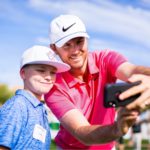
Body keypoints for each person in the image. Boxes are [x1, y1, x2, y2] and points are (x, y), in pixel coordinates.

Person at [45, 14, 150, 149]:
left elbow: (132, 70)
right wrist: (117, 129)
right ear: (54, 48)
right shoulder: (53, 86)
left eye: (79, 41)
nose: (75, 50)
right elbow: (82, 132)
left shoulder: (105, 59)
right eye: (67, 45)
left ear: (87, 39)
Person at [0, 45, 70, 150]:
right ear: (23, 73)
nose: (48, 77)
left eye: (53, 73)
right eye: (41, 70)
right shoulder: (18, 105)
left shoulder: (39, 108)